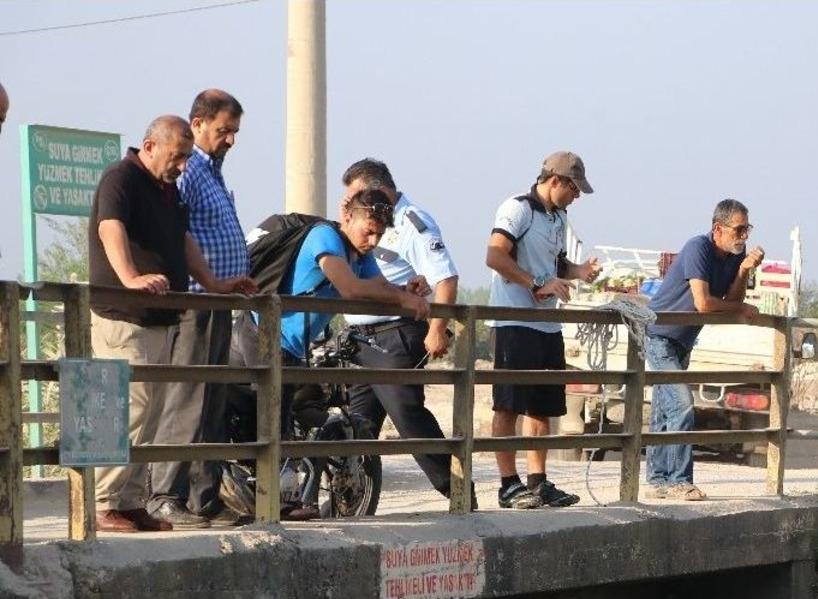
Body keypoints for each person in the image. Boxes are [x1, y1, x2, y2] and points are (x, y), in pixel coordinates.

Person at [89, 115, 256, 533]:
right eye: (176, 156)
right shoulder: (121, 178)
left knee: (151, 416)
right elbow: (111, 228)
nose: (182, 166)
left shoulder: (165, 190)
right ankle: (104, 503)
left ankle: (131, 502)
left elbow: (183, 241)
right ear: (150, 146)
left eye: (185, 158)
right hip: (124, 317)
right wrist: (130, 278)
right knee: (129, 408)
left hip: (161, 318)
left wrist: (213, 283)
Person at [228, 189, 430, 480]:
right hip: (264, 333)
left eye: (379, 235)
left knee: (290, 417)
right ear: (347, 217)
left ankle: (279, 495)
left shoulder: (359, 253)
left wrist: (404, 290)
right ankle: (268, 498)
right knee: (271, 423)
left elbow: (380, 287)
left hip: (293, 347)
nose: (373, 241)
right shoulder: (326, 238)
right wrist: (401, 300)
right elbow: (350, 288)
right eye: (369, 232)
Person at [339, 158, 475, 509]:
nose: (349, 203)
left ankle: (458, 492)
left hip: (394, 336)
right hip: (360, 338)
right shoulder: (358, 222)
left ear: (379, 188)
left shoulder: (412, 222)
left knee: (408, 418)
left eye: (357, 194)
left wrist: (437, 329)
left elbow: (445, 278)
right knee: (359, 424)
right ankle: (350, 501)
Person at [149, 89, 250, 529]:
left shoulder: (213, 174)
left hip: (220, 301)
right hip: (194, 302)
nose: (230, 139)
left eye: (234, 132)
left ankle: (203, 497)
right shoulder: (188, 172)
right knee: (186, 399)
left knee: (212, 404)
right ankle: (164, 495)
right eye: (224, 130)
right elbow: (177, 233)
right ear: (199, 123)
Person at [485, 151, 601, 509]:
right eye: (574, 189)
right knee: (508, 406)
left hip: (546, 325)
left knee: (542, 406)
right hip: (514, 322)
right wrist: (537, 283)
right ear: (555, 181)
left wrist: (578, 271)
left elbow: (555, 263)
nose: (577, 197)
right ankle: (508, 483)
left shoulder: (557, 215)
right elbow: (495, 256)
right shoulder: (518, 209)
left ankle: (537, 481)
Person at [644, 200, 763, 502]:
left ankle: (659, 480)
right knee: (682, 404)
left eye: (746, 229)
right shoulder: (698, 248)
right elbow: (705, 303)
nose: (743, 236)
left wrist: (744, 271)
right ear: (718, 229)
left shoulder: (734, 257)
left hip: (682, 340)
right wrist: (742, 307)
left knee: (664, 410)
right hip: (660, 336)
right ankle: (680, 482)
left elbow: (730, 296)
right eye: (738, 229)